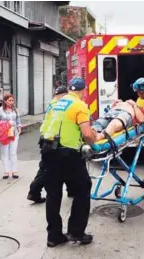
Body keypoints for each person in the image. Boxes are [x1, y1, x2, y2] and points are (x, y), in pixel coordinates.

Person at [41, 77, 98, 247]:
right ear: (82, 91)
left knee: (53, 195)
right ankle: (76, 232)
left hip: (48, 150)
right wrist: (94, 145)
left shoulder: (56, 103)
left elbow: (44, 127)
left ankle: (53, 236)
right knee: (83, 187)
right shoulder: (80, 105)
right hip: (67, 154)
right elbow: (87, 134)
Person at [27, 86, 70, 204]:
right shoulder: (59, 106)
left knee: (58, 168)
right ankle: (34, 192)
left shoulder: (52, 104)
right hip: (52, 141)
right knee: (46, 170)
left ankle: (71, 189)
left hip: (46, 139)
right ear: (62, 95)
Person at [0, 94, 22, 179]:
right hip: (4, 134)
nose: (11, 102)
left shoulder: (15, 110)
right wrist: (6, 124)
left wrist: (19, 127)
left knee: (13, 152)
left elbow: (18, 120)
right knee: (5, 152)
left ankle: (14, 170)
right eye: (9, 100)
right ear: (5, 101)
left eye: (12, 100)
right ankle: (6, 171)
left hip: (14, 133)